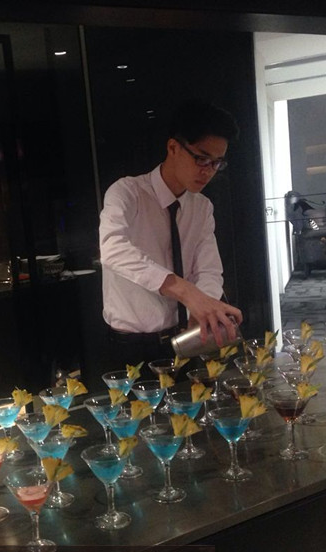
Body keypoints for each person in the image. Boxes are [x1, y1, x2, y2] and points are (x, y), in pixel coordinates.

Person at [99, 99, 243, 366]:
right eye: (201, 158)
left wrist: (203, 308)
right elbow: (112, 249)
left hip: (185, 337)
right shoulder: (127, 193)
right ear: (173, 147)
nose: (208, 171)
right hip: (131, 346)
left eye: (216, 163)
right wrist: (186, 292)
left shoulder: (202, 207)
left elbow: (209, 270)